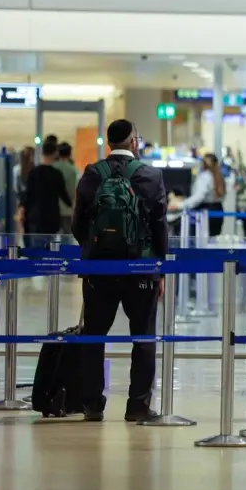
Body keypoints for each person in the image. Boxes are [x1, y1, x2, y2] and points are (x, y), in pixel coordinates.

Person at [72, 119, 168, 422]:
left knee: (94, 335)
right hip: (140, 270)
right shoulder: (151, 176)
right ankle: (137, 406)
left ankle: (92, 404)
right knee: (143, 337)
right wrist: (159, 267)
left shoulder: (91, 174)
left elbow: (77, 226)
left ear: (109, 142)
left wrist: (95, 250)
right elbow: (160, 227)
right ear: (134, 142)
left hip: (99, 271)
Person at [22, 140, 72, 248]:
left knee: (35, 252)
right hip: (51, 219)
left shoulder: (33, 173)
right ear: (55, 153)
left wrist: (23, 214)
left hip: (35, 218)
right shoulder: (56, 174)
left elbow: (27, 197)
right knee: (50, 253)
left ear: (42, 153)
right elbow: (65, 197)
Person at [178, 153, 227, 237]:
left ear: (203, 163)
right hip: (218, 210)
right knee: (213, 240)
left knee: (202, 242)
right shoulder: (219, 176)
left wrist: (181, 205)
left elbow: (199, 197)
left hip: (205, 212)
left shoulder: (205, 176)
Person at [53, 141, 78, 236]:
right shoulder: (72, 169)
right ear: (70, 153)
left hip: (53, 208)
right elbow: (72, 191)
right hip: (67, 209)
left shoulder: (53, 167)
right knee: (67, 237)